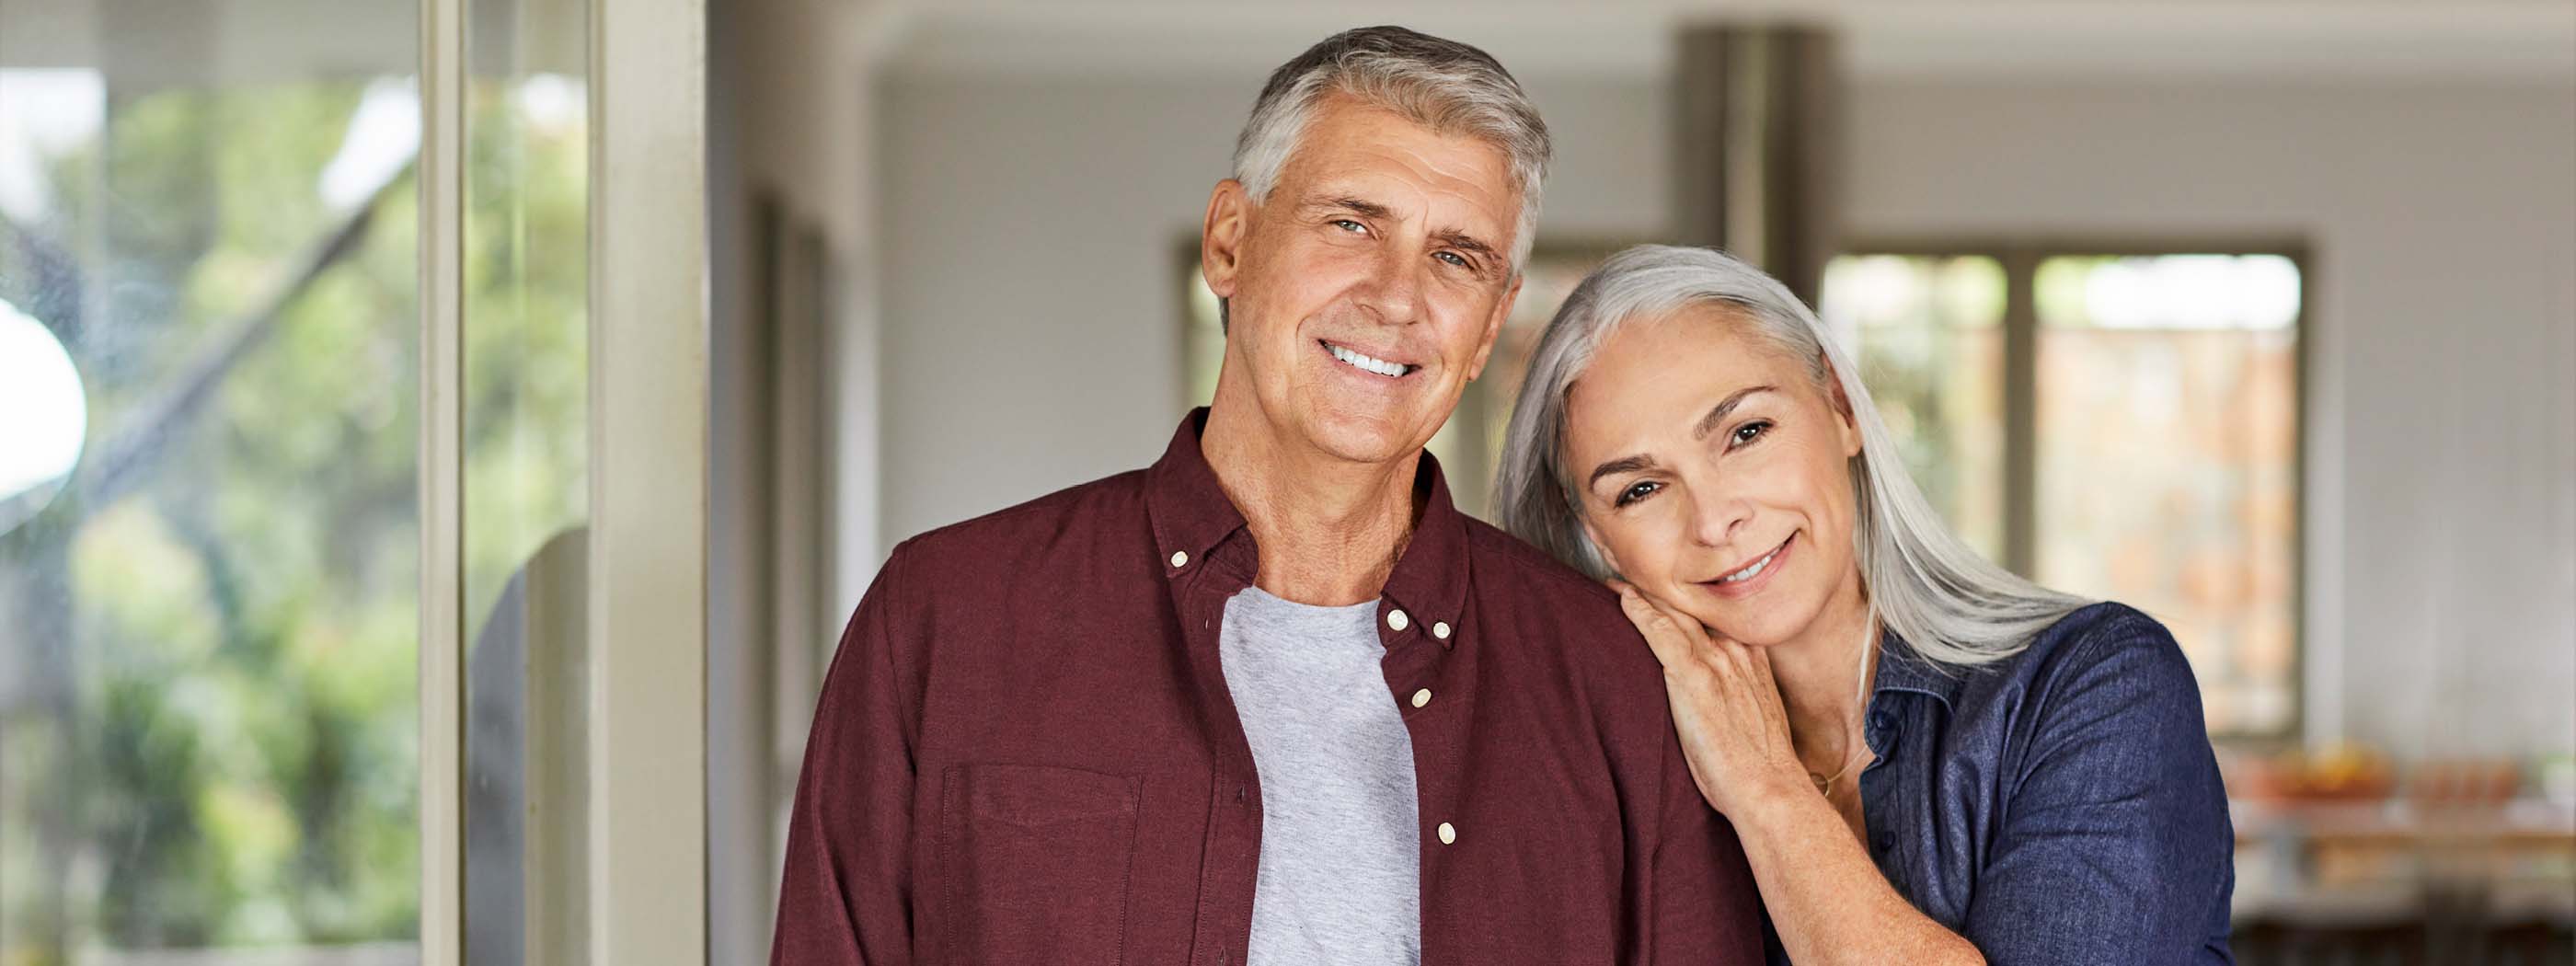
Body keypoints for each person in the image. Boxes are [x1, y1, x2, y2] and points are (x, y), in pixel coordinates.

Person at [771, 30, 1762, 966]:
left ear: (1491, 325)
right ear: (1231, 243)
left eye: (1456, 256)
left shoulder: (1610, 681)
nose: (1396, 295)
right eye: (1349, 223)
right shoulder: (949, 616)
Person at [1494, 245, 2236, 965]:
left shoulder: (2096, 684)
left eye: (1746, 433)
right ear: (1595, 538)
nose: (1714, 520)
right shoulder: (1611, 779)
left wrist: (1763, 787)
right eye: (1641, 490)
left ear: (1842, 408)